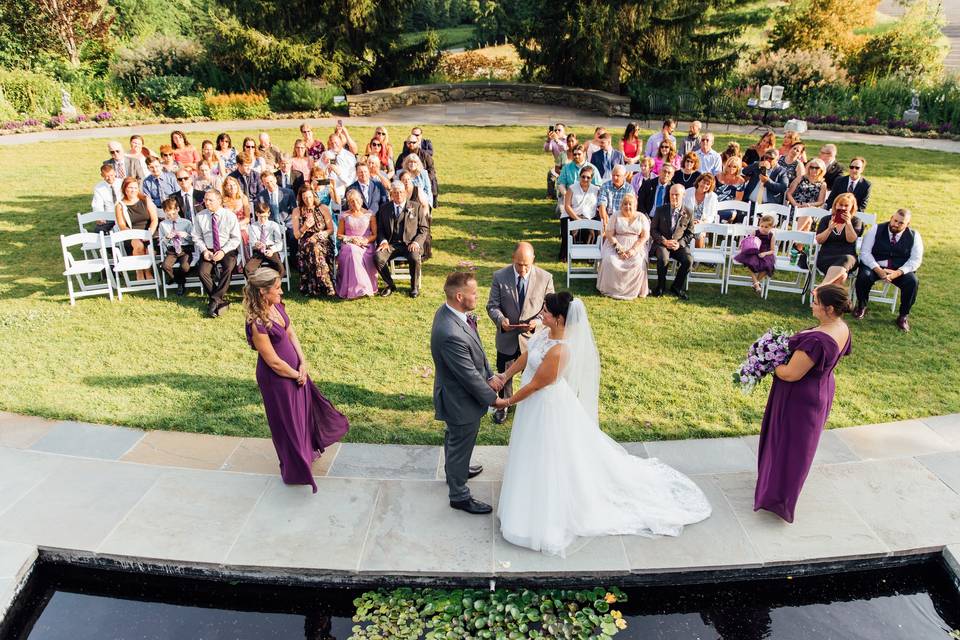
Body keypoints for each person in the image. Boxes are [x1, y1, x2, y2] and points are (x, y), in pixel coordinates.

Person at [497, 292, 710, 555]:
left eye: (547, 311)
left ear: (560, 319)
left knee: (548, 456)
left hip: (545, 406)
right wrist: (504, 375)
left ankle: (545, 505)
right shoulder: (544, 332)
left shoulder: (561, 351)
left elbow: (536, 384)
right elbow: (527, 357)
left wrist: (506, 403)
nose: (542, 314)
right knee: (529, 451)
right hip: (534, 404)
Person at [244, 267, 348, 493]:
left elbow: (291, 333)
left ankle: (306, 453)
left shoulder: (277, 307)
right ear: (263, 292)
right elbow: (272, 362)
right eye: (277, 288)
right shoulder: (257, 324)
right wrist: (295, 374)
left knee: (302, 416)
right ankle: (294, 469)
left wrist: (303, 362)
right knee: (288, 422)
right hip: (277, 380)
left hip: (295, 372)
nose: (281, 292)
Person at [754, 284, 852, 523]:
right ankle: (777, 488)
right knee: (798, 447)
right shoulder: (841, 327)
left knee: (787, 446)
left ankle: (778, 498)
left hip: (800, 399)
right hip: (821, 389)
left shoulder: (818, 340)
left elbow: (790, 374)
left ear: (829, 308)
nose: (812, 304)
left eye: (816, 301)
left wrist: (765, 360)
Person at [431, 271, 507, 515]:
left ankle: (458, 469)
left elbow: (476, 352)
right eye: (474, 293)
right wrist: (494, 399)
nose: (478, 296)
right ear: (460, 296)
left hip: (461, 394)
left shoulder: (454, 314)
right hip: (459, 399)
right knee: (460, 440)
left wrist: (489, 374)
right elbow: (468, 376)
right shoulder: (449, 332)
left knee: (457, 440)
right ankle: (459, 494)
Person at [486, 242, 555, 424]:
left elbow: (549, 308)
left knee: (532, 374)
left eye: (526, 265)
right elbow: (492, 306)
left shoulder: (545, 278)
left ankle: (528, 407)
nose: (523, 269)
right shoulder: (500, 276)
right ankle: (503, 406)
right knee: (505, 373)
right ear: (513, 259)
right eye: (519, 264)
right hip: (506, 337)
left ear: (533, 260)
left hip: (532, 338)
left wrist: (538, 322)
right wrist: (501, 320)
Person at [853, 208, 923, 332]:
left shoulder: (914, 235)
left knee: (912, 282)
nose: (896, 224)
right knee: (864, 276)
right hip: (874, 265)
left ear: (907, 224)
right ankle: (861, 306)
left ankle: (903, 316)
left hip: (898, 269)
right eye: (895, 220)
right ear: (891, 218)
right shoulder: (876, 229)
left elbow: (915, 260)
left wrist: (898, 272)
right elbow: (865, 252)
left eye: (901, 223)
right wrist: (878, 269)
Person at [373, 181, 429, 298]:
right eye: (395, 193)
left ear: (405, 193)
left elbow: (423, 229)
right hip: (391, 244)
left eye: (401, 192)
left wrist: (416, 242)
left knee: (414, 257)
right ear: (391, 194)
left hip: (410, 244)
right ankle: (390, 285)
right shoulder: (384, 209)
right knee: (378, 257)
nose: (398, 195)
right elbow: (381, 229)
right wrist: (383, 241)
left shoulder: (416, 207)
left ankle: (414, 287)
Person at [191, 189, 241, 318]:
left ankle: (214, 300)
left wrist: (223, 251)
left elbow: (236, 238)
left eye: (210, 200)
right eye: (205, 200)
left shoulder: (229, 215)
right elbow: (196, 236)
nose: (207, 202)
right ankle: (219, 300)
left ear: (219, 201)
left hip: (226, 248)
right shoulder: (200, 216)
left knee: (228, 267)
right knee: (202, 272)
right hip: (208, 249)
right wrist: (204, 250)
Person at [597, 193, 650, 300]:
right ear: (621, 205)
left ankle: (632, 291)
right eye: (625, 204)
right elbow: (609, 234)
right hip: (616, 243)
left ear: (635, 206)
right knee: (610, 260)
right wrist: (618, 248)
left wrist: (633, 250)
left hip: (636, 245)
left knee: (637, 262)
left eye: (630, 204)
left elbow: (644, 237)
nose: (627, 206)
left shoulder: (641, 217)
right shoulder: (616, 215)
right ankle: (611, 289)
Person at [651, 184, 695, 299]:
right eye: (671, 194)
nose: (674, 197)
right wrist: (664, 241)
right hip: (662, 244)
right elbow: (653, 230)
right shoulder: (660, 210)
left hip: (678, 245)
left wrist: (679, 243)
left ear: (683, 195)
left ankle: (677, 286)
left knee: (688, 260)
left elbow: (690, 233)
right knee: (663, 258)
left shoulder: (689, 212)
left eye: (677, 195)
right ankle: (660, 286)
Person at [293, 187, 336, 297]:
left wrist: (321, 234)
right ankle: (326, 286)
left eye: (310, 197)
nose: (308, 200)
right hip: (306, 240)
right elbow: (297, 235)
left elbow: (331, 229)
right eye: (305, 198)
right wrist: (305, 227)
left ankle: (317, 286)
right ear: (301, 199)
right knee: (312, 247)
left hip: (322, 238)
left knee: (315, 247)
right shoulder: (297, 211)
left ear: (314, 196)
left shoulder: (323, 208)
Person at [815, 193, 864, 288]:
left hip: (847, 256)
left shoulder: (856, 221)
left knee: (846, 259)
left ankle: (821, 288)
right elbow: (819, 240)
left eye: (846, 206)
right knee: (842, 276)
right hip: (827, 256)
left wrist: (848, 224)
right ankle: (828, 299)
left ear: (852, 207)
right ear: (835, 205)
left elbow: (851, 240)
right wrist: (829, 229)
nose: (843, 208)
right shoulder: (826, 219)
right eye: (840, 205)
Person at [336, 189, 378, 299]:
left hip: (366, 245)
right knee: (352, 250)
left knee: (356, 252)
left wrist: (365, 240)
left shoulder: (369, 214)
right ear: (348, 203)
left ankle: (362, 287)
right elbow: (339, 235)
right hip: (349, 245)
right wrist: (351, 239)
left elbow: (374, 234)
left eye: (356, 200)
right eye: (351, 201)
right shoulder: (344, 216)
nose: (354, 203)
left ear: (361, 200)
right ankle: (360, 288)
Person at [115, 176, 159, 280]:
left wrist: (149, 234)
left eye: (135, 187)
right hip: (131, 234)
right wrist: (134, 236)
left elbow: (154, 220)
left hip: (149, 233)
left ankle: (147, 271)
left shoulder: (145, 200)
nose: (133, 190)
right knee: (138, 246)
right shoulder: (120, 205)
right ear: (124, 189)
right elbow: (122, 225)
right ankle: (139, 271)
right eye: (130, 187)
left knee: (149, 250)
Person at [560, 165, 600, 262]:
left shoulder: (596, 190)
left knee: (592, 232)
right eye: (583, 176)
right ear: (579, 176)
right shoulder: (572, 188)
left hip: (589, 216)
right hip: (571, 214)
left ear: (592, 178)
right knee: (570, 232)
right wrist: (577, 219)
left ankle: (589, 256)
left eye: (588, 177)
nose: (585, 179)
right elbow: (567, 206)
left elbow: (599, 206)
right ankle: (567, 254)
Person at [733, 213, 777, 294]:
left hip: (765, 253)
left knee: (768, 265)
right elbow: (749, 240)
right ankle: (757, 284)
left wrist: (765, 253)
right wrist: (742, 244)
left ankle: (755, 282)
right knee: (750, 262)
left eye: (766, 227)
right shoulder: (756, 232)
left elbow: (772, 250)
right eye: (762, 226)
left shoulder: (771, 236)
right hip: (755, 250)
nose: (763, 228)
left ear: (771, 227)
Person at [158, 197, 194, 296]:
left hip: (185, 249)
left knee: (185, 267)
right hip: (172, 250)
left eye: (173, 213)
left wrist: (186, 235)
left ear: (177, 209)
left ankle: (175, 279)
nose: (171, 216)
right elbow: (161, 242)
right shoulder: (163, 224)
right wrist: (167, 237)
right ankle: (180, 282)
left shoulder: (187, 223)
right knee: (165, 266)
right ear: (164, 212)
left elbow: (194, 241)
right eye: (168, 214)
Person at [786, 159, 828, 231]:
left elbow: (821, 201)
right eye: (811, 167)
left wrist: (809, 205)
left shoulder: (822, 184)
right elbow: (789, 193)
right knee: (808, 221)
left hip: (810, 208)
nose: (813, 169)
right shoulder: (800, 178)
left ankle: (791, 237)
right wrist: (796, 204)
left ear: (821, 170)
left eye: (817, 168)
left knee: (807, 214)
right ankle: (795, 239)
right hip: (796, 208)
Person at [246, 202, 286, 277]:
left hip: (270, 248)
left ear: (269, 214)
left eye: (265, 216)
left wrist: (272, 250)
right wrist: (256, 244)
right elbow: (252, 241)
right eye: (261, 217)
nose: (263, 219)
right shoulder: (253, 226)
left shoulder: (273, 225)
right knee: (248, 269)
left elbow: (279, 243)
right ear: (257, 214)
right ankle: (257, 286)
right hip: (258, 250)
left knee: (280, 269)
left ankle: (274, 286)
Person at [222, 176, 252, 260]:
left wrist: (237, 225)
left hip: (241, 226)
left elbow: (247, 218)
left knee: (240, 235)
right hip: (227, 228)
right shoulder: (222, 200)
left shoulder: (243, 198)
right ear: (225, 187)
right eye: (229, 185)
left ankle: (246, 260)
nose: (232, 187)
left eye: (234, 185)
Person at [596, 165, 634, 229]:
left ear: (624, 176)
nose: (614, 177)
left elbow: (629, 208)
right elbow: (602, 204)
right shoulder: (605, 186)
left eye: (617, 175)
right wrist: (605, 220)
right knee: (604, 230)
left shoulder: (629, 188)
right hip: (607, 217)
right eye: (613, 175)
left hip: (623, 218)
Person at [544, 122, 568, 197]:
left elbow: (566, 149)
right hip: (558, 165)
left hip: (568, 165)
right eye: (555, 130)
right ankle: (550, 194)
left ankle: (562, 192)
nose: (557, 131)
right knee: (551, 174)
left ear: (564, 131)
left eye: (559, 130)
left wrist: (557, 140)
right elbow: (547, 149)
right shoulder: (552, 140)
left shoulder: (568, 139)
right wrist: (548, 139)